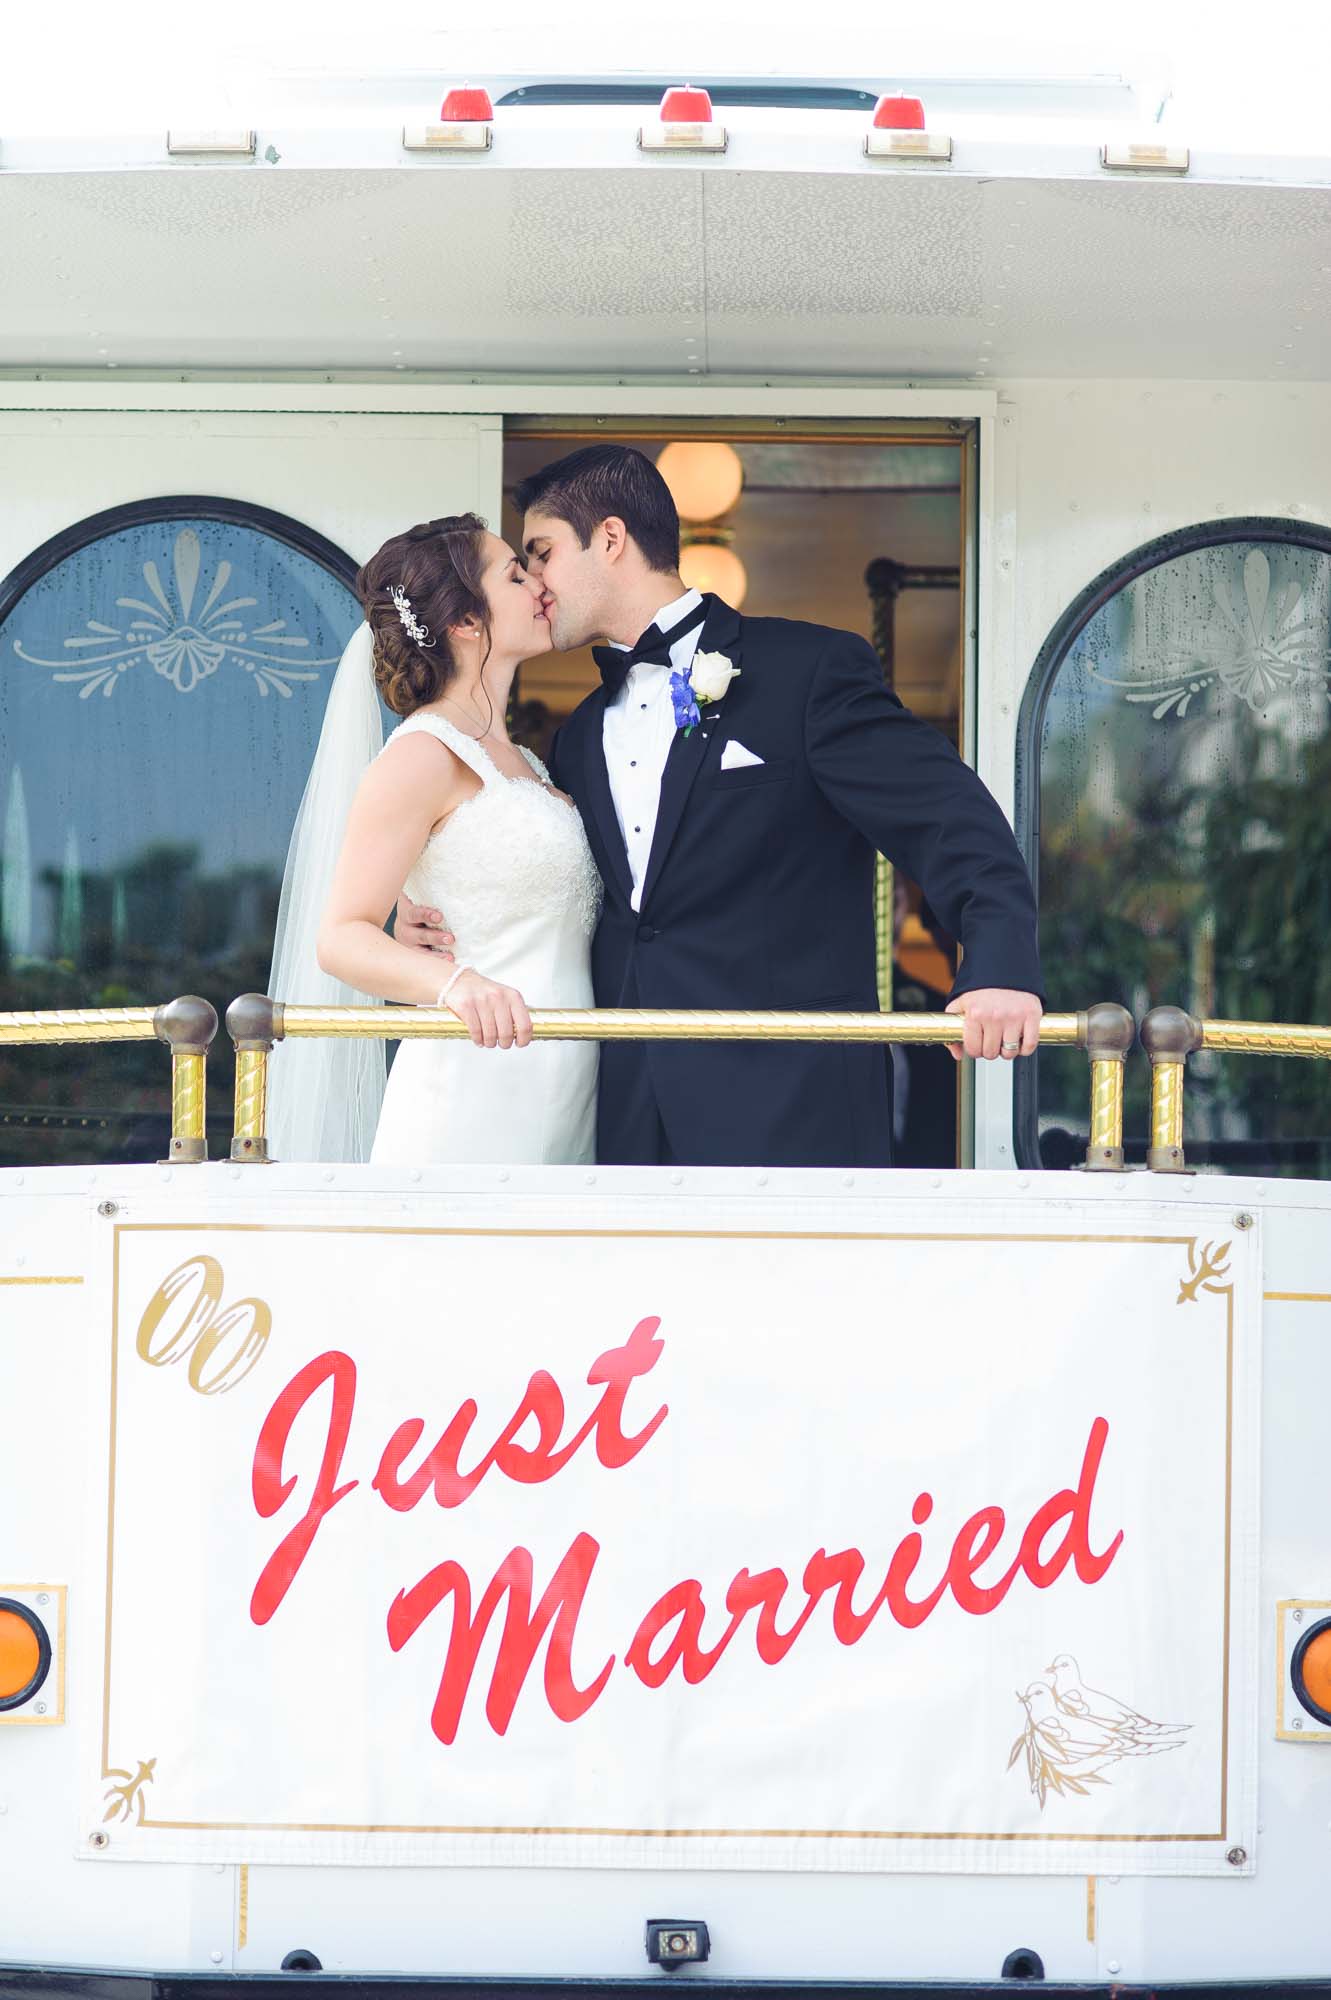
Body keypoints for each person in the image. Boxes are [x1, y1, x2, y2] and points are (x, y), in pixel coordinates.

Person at [396, 445, 1043, 1168]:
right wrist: (426, 914)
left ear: (609, 540)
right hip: (622, 1115)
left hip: (793, 1108)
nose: (535, 582)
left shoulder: (809, 671)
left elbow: (946, 817)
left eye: (541, 553)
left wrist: (998, 966)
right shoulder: (576, 736)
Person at [266, 515, 600, 1165]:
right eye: (513, 573)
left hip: (559, 1087)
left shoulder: (527, 763)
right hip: (473, 1085)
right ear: (465, 623)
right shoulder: (421, 754)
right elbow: (340, 937)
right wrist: (455, 984)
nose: (536, 582)